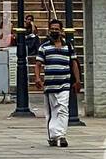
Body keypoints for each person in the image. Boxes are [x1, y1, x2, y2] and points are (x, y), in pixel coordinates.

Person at [34, 20, 81, 148]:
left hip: (64, 83)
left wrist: (77, 80)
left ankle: (61, 135)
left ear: (61, 30)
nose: (54, 31)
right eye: (52, 29)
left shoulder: (68, 46)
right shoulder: (44, 47)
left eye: (57, 29)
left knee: (63, 109)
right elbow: (38, 64)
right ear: (49, 31)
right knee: (52, 112)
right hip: (50, 85)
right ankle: (52, 136)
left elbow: (74, 63)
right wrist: (38, 78)